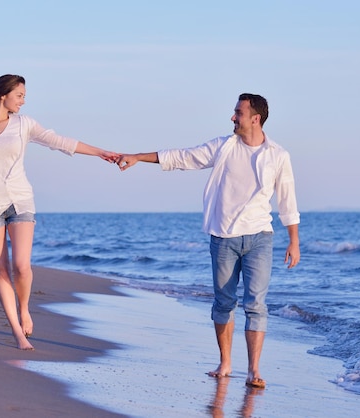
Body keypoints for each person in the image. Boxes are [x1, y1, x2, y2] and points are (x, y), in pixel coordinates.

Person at [117, 93, 300, 388]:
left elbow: (287, 201)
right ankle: (225, 362)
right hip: (224, 237)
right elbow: (182, 157)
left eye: (238, 113)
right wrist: (138, 157)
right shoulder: (223, 147)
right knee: (224, 302)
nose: (232, 117)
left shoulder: (278, 155)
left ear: (255, 118)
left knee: (256, 304)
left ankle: (254, 370)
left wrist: (294, 241)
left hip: (260, 238)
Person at [0, 74, 119, 350]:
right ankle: (17, 333)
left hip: (19, 200)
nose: (23, 101)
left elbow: (60, 141)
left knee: (21, 266)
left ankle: (24, 308)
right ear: (3, 94)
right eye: (20, 95)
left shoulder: (24, 124)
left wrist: (100, 152)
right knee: (0, 269)